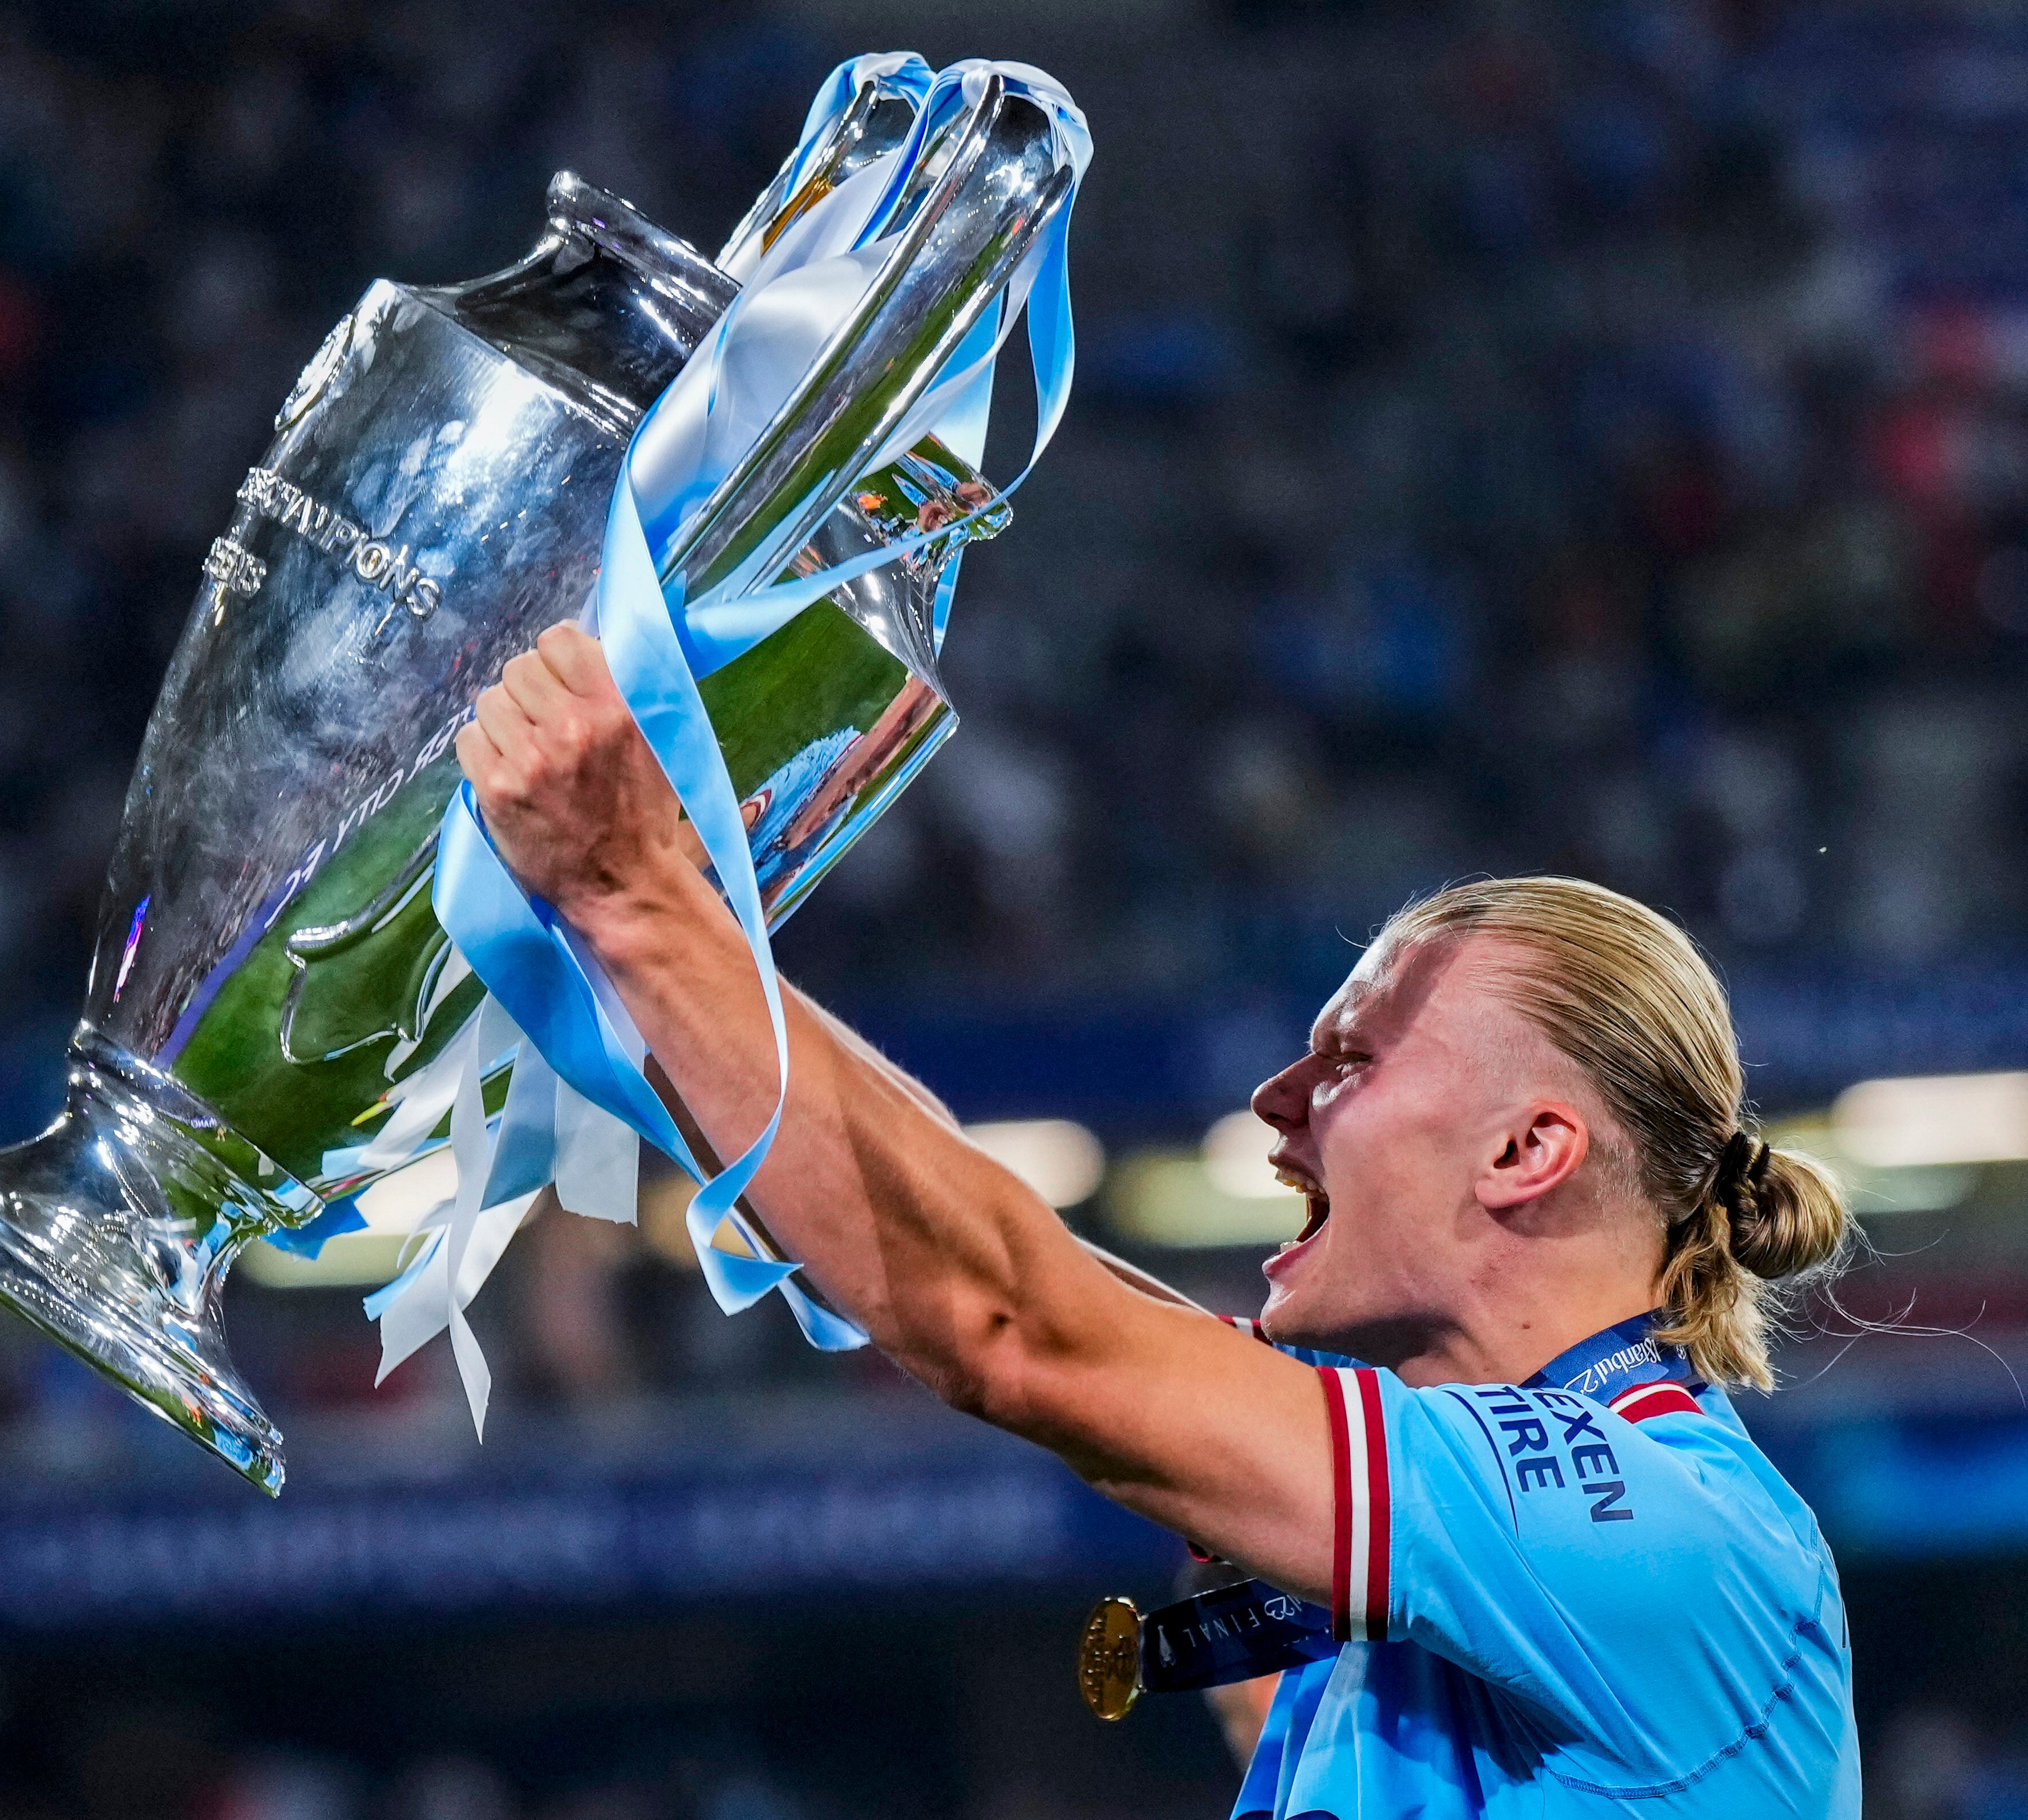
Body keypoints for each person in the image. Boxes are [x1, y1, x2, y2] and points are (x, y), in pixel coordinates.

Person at [457, 624, 1862, 1818]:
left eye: (1352, 1059)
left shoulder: (1652, 1519)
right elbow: (1043, 1290)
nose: (1274, 1099)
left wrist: (635, 898)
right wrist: (677, 963)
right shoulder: (1497, 1562)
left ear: (1526, 1147)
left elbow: (1015, 1321)